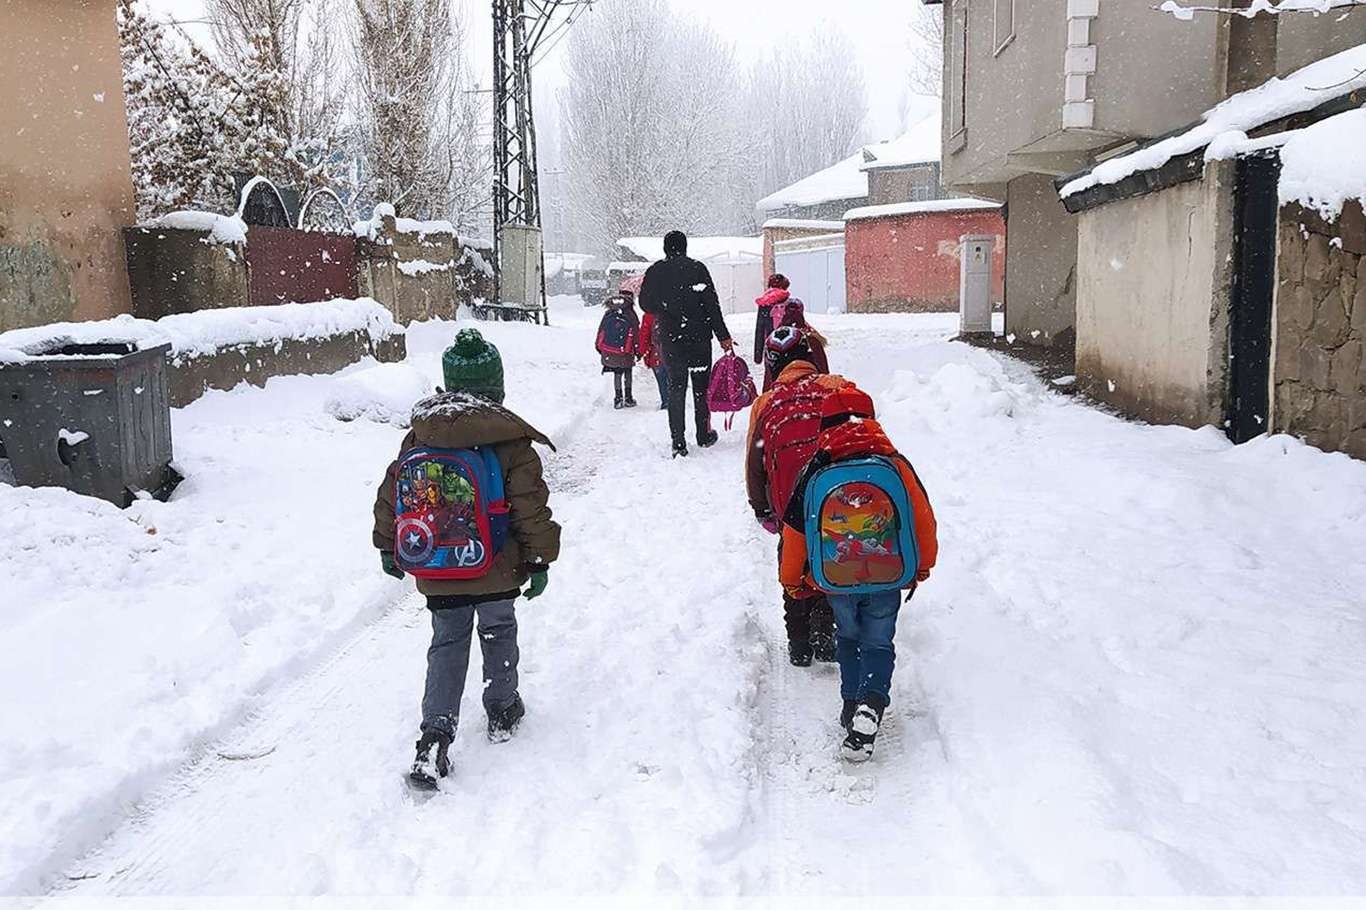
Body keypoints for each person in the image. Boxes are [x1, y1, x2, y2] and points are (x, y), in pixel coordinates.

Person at [372, 328, 561, 789]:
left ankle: (434, 736)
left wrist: (389, 546)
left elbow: (393, 496)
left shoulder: (422, 435)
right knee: (498, 631)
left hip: (439, 566)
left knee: (446, 646)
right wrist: (540, 559)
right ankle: (501, 708)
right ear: (496, 386)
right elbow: (529, 508)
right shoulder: (510, 441)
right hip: (495, 564)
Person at [778, 386, 938, 762]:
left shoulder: (817, 468)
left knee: (848, 639)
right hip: (887, 576)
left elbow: (796, 532)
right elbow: (922, 519)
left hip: (838, 580)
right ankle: (872, 700)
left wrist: (792, 581)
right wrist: (922, 565)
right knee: (879, 643)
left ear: (825, 424)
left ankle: (852, 705)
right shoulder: (894, 464)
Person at [745, 326, 845, 667]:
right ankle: (825, 628)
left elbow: (754, 464)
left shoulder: (766, 403)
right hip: (836, 499)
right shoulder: (836, 388)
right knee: (833, 558)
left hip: (790, 505)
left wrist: (761, 507)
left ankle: (799, 641)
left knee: (792, 567)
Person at [639, 230, 735, 457]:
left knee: (676, 386)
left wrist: (664, 307)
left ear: (665, 248)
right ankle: (703, 434)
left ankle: (678, 442)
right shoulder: (697, 269)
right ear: (685, 247)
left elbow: (644, 303)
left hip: (671, 339)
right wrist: (723, 336)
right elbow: (712, 306)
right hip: (700, 337)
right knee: (701, 388)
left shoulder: (656, 271)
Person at [762, 297, 829, 392]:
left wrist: (766, 397)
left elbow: (768, 375)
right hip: (811, 391)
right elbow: (823, 370)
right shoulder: (811, 338)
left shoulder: (775, 339)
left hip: (780, 395)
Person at [596, 291, 640, 409]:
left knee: (617, 372)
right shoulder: (630, 314)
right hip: (626, 351)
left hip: (611, 351)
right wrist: (638, 351)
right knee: (627, 371)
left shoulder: (609, 312)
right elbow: (636, 334)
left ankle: (618, 398)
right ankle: (628, 398)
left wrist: (599, 347)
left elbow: (601, 330)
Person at [753, 274, 791, 364]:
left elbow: (760, 329)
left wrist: (758, 356)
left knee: (771, 371)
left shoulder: (764, 302)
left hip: (771, 344)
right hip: (788, 342)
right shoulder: (788, 301)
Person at [638, 307, 669, 410]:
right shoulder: (674, 309)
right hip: (673, 354)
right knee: (673, 380)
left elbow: (644, 336)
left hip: (657, 355)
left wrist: (642, 352)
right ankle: (675, 403)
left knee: (662, 380)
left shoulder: (649, 315)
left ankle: (666, 402)